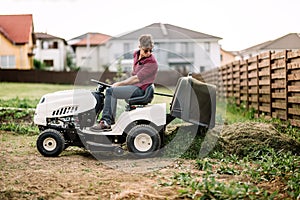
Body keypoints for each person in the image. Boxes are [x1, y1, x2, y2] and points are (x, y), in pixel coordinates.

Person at [91, 34, 158, 131]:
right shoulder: (136, 54)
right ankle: (104, 119)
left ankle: (106, 122)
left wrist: (118, 84)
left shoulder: (152, 63)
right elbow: (134, 74)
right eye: (146, 50)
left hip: (140, 89)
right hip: (135, 86)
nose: (148, 53)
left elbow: (136, 78)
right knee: (109, 90)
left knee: (111, 91)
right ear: (139, 47)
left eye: (151, 50)